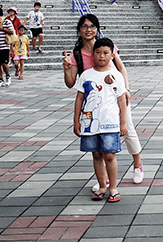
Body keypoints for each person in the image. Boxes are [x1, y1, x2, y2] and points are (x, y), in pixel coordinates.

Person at [63, 14, 144, 187]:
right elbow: (71, 83)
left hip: (116, 94)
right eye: (84, 26)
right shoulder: (77, 53)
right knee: (98, 136)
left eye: (92, 26)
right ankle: (104, 180)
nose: (88, 30)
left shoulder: (107, 46)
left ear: (97, 29)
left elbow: (121, 67)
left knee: (127, 128)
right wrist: (67, 69)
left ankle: (138, 164)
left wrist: (126, 89)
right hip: (95, 102)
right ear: (79, 30)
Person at [73, 37, 127, 203]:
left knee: (109, 155)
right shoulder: (86, 75)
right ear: (92, 54)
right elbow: (79, 99)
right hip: (90, 123)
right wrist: (76, 121)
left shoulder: (116, 75)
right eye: (98, 52)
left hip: (110, 122)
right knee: (96, 154)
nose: (101, 56)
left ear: (112, 55)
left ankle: (113, 188)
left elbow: (122, 100)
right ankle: (102, 185)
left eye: (105, 53)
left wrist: (123, 123)